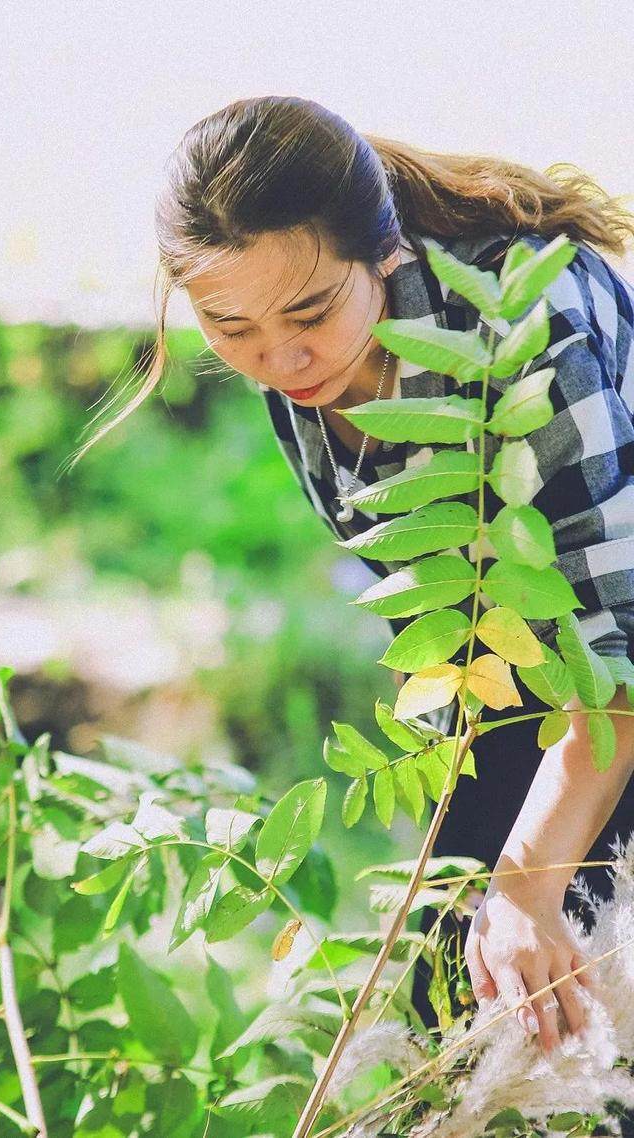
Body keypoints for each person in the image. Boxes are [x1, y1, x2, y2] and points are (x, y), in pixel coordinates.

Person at [65, 95, 634, 1061]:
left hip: (609, 664)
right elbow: (444, 613)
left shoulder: (525, 344)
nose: (278, 359)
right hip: (518, 680)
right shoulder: (301, 368)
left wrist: (528, 881)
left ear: (389, 255)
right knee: (450, 1015)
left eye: (309, 312)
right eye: (227, 325)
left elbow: (617, 658)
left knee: (572, 1017)